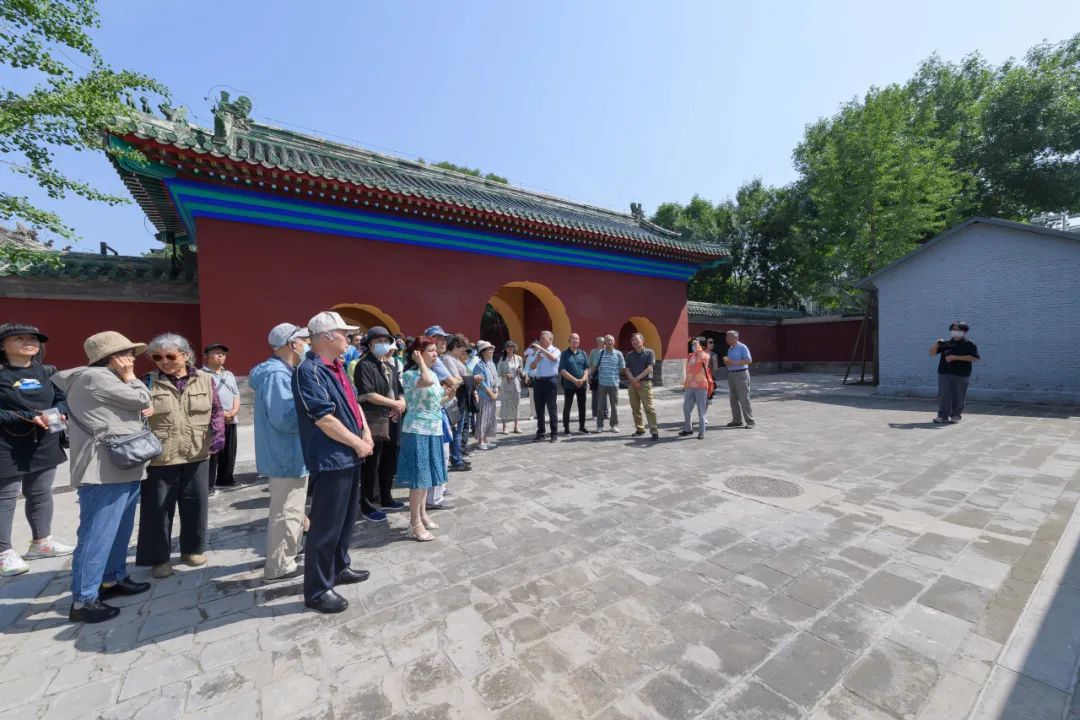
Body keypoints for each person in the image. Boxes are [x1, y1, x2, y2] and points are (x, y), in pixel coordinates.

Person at [53, 332, 154, 622]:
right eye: (127, 354)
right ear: (112, 358)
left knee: (119, 529)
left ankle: (111, 578)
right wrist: (131, 377)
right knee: (96, 534)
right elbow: (141, 398)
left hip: (122, 464)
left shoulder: (106, 378)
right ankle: (84, 600)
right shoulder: (95, 377)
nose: (132, 359)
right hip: (102, 470)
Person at [294, 311, 374, 613]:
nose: (350, 338)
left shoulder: (337, 366)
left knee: (346, 520)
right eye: (344, 333)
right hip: (331, 458)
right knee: (326, 526)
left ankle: (339, 566)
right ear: (327, 336)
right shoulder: (309, 371)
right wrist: (358, 443)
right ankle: (317, 590)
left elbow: (354, 404)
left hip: (350, 454)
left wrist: (365, 433)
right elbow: (323, 419)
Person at [137, 333, 225, 578]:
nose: (164, 362)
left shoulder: (205, 379)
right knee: (157, 511)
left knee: (196, 504)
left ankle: (192, 550)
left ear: (186, 356)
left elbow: (216, 409)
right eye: (158, 357)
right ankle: (159, 559)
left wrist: (218, 435)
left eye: (170, 356)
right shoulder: (147, 381)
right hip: (160, 455)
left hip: (197, 451)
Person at [0, 323, 73, 577]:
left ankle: (41, 542)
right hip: (7, 445)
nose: (29, 342)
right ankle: (3, 552)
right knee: (5, 497)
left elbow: (62, 398)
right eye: (19, 338)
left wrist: (59, 412)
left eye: (33, 338)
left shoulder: (47, 371)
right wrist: (28, 416)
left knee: (41, 492)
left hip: (44, 440)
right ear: (3, 345)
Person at [249, 323, 311, 584]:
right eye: (303, 339)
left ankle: (292, 549)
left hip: (291, 451)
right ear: (292, 344)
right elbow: (284, 418)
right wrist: (314, 415)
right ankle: (279, 565)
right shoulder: (276, 374)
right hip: (286, 453)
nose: (307, 344)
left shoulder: (285, 371)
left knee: (293, 508)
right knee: (286, 510)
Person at [396, 337, 448, 542]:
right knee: (419, 479)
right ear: (417, 353)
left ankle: (423, 515)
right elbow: (425, 383)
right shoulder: (411, 375)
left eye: (436, 350)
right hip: (417, 429)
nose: (435, 354)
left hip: (434, 429)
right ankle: (414, 523)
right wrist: (419, 363)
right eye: (430, 351)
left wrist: (450, 396)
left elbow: (435, 400)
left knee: (426, 478)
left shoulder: (432, 373)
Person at [354, 326, 406, 521]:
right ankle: (369, 505)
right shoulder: (364, 365)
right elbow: (368, 394)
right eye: (378, 341)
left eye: (386, 341)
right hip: (374, 420)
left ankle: (386, 497)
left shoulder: (390, 366)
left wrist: (401, 403)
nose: (383, 344)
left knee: (389, 460)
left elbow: (399, 390)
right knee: (372, 463)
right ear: (370, 344)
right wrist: (394, 404)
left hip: (393, 418)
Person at [203, 343, 240, 492]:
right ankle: (209, 484)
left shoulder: (229, 375)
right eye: (216, 353)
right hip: (213, 420)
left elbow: (236, 394)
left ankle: (226, 479)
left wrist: (234, 411)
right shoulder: (201, 375)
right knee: (213, 452)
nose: (220, 356)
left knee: (229, 451)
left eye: (223, 354)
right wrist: (220, 414)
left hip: (231, 419)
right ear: (206, 356)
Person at [930, 321, 980, 424]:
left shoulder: (969, 344)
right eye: (953, 329)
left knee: (958, 396)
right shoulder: (946, 343)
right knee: (944, 395)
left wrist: (955, 357)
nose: (955, 331)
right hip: (944, 372)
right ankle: (942, 416)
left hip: (961, 374)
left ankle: (956, 415)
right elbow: (932, 353)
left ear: (964, 331)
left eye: (958, 330)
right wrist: (937, 343)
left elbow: (975, 358)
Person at [625, 333, 660, 440]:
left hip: (645, 384)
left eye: (636, 340)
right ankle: (640, 429)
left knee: (649, 408)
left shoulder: (649, 352)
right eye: (632, 340)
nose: (634, 342)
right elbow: (627, 369)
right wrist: (634, 381)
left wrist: (637, 379)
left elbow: (649, 368)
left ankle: (654, 431)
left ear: (642, 340)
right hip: (632, 384)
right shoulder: (630, 355)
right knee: (635, 408)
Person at [529, 331, 561, 443]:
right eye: (540, 338)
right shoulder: (538, 352)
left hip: (550, 381)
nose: (540, 340)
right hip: (538, 382)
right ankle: (541, 433)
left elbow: (553, 358)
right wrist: (537, 359)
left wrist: (541, 349)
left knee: (552, 408)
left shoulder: (555, 350)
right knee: (539, 409)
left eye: (543, 338)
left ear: (550, 339)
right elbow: (532, 367)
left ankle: (554, 433)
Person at [558, 333, 591, 436]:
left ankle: (582, 427)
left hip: (582, 384)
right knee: (567, 406)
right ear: (569, 341)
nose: (575, 340)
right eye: (573, 339)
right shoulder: (564, 354)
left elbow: (586, 368)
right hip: (569, 384)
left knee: (582, 406)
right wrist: (575, 380)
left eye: (577, 339)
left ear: (579, 341)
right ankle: (566, 429)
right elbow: (562, 370)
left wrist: (583, 379)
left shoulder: (583, 353)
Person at [680, 338, 711, 439]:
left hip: (701, 386)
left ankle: (701, 431)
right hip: (690, 386)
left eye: (696, 344)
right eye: (693, 344)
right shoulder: (691, 356)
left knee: (701, 410)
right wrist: (685, 384)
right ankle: (688, 429)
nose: (694, 346)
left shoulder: (705, 355)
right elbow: (688, 371)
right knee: (686, 408)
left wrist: (698, 348)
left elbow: (701, 358)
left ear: (702, 346)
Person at [594, 334, 625, 433]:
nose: (609, 342)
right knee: (600, 406)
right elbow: (595, 366)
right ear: (604, 342)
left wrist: (614, 374)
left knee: (614, 406)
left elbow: (622, 368)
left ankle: (614, 425)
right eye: (607, 340)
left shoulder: (619, 354)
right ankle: (600, 426)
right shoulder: (600, 353)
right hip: (602, 384)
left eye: (611, 340)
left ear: (614, 342)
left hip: (614, 384)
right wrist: (589, 375)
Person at [724, 330, 754, 428]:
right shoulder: (730, 349)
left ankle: (750, 421)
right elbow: (731, 362)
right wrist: (728, 362)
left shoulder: (742, 347)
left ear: (735, 338)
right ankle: (737, 420)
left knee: (744, 398)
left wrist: (733, 362)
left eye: (728, 337)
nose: (726, 339)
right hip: (731, 374)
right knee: (733, 399)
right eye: (726, 337)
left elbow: (749, 360)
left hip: (741, 374)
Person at [474, 341, 499, 449]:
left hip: (493, 394)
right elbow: (481, 383)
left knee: (490, 417)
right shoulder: (479, 365)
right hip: (484, 395)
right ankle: (480, 441)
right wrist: (490, 393)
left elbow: (496, 378)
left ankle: (485, 439)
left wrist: (496, 392)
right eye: (489, 349)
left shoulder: (492, 363)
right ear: (483, 352)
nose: (491, 351)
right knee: (483, 417)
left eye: (492, 349)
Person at [497, 341, 523, 434]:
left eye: (512, 346)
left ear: (515, 348)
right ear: (505, 349)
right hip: (506, 385)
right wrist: (505, 375)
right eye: (508, 347)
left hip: (516, 384)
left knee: (517, 405)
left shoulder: (519, 358)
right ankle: (504, 427)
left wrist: (520, 371)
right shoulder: (502, 359)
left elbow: (521, 370)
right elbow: (498, 372)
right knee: (505, 405)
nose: (510, 348)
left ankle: (516, 426)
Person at [588, 336, 605, 420]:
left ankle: (605, 413)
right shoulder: (593, 352)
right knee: (595, 395)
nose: (602, 342)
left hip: (604, 374)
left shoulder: (607, 351)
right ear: (597, 342)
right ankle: (594, 414)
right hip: (595, 374)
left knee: (604, 394)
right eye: (600, 341)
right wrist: (589, 375)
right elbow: (589, 363)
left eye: (603, 341)